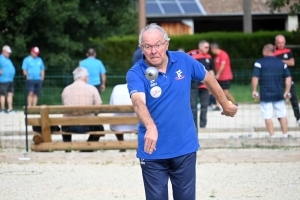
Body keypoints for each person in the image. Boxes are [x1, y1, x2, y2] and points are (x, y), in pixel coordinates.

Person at [126, 23, 238, 200]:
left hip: (184, 147)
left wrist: (225, 104)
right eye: (148, 46)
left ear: (166, 44)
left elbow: (208, 78)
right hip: (152, 150)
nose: (153, 50)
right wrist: (150, 126)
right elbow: (138, 102)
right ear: (142, 48)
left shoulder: (184, 60)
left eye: (157, 44)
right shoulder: (135, 73)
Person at [252, 44, 291, 138]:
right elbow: (288, 78)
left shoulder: (259, 63)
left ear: (265, 51)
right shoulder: (281, 63)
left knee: (267, 115)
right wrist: (287, 91)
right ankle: (285, 135)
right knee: (282, 114)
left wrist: (254, 90)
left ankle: (272, 135)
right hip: (278, 93)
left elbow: (255, 77)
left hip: (265, 93)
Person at [61, 67, 104, 145]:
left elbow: (64, 105)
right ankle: (88, 146)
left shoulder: (66, 90)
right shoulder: (92, 89)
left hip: (68, 126)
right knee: (100, 127)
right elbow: (99, 107)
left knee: (64, 123)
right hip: (88, 125)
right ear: (85, 77)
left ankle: (67, 146)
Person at [187, 40, 215, 128]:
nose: (208, 49)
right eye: (206, 47)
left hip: (205, 86)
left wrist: (212, 85)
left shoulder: (209, 57)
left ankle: (203, 125)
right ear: (200, 47)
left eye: (208, 47)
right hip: (192, 85)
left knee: (204, 106)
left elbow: (211, 71)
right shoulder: (191, 54)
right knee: (193, 106)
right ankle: (194, 126)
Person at [274, 35, 300, 126]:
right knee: (277, 99)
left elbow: (292, 63)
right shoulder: (273, 51)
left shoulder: (288, 51)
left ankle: (298, 118)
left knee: (294, 99)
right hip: (277, 78)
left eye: (282, 43)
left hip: (288, 78)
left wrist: (280, 61)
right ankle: (280, 120)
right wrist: (285, 61)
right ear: (276, 43)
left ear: (284, 42)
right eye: (279, 43)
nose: (281, 44)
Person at [210, 43, 236, 110]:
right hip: (219, 77)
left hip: (225, 76)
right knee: (217, 91)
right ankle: (217, 105)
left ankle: (234, 103)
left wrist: (218, 74)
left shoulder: (223, 54)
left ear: (214, 48)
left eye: (211, 49)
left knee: (225, 92)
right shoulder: (216, 56)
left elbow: (222, 65)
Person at [0, 45, 15, 114]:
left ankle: (10, 109)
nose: (9, 54)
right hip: (3, 80)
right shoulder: (0, 58)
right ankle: (3, 109)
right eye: (8, 53)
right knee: (2, 94)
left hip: (10, 79)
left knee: (10, 94)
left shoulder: (8, 59)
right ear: (3, 52)